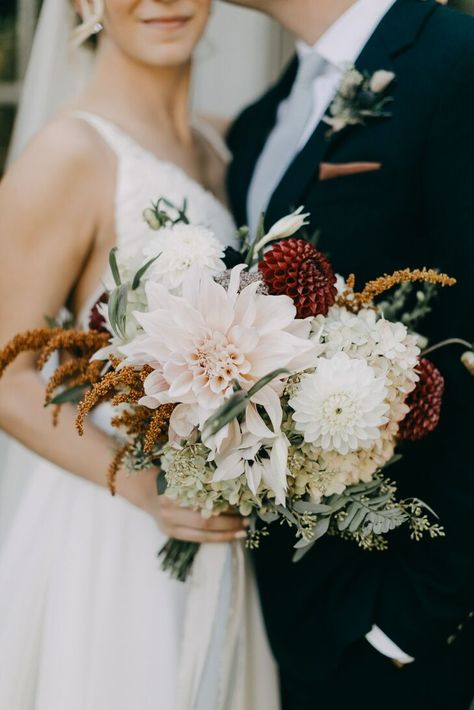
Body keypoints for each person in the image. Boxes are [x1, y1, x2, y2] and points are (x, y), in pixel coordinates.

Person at [0, 1, 278, 708]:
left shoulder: (223, 152)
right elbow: (7, 378)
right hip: (116, 527)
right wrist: (146, 490)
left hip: (225, 528)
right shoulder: (71, 153)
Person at [224, 0, 474, 708]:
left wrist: (417, 618)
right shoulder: (263, 119)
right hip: (284, 616)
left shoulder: (457, 62)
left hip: (403, 622)